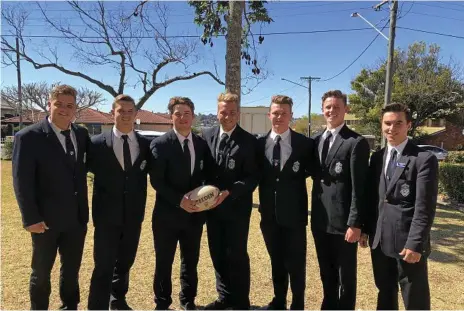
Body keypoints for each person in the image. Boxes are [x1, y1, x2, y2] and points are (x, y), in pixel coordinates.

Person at [12, 84, 90, 310]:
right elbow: (21, 181)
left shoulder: (81, 134)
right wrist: (30, 218)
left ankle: (69, 306)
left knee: (72, 269)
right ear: (49, 105)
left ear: (75, 108)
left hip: (76, 219)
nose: (64, 109)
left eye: (70, 105)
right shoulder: (28, 137)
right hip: (44, 221)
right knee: (41, 271)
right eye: (59, 104)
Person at [361, 103, 438, 310]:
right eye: (387, 123)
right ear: (381, 125)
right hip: (380, 241)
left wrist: (415, 243)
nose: (391, 128)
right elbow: (373, 199)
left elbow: (425, 207)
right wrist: (367, 230)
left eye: (398, 123)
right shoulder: (377, 158)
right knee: (385, 293)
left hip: (407, 244)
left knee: (415, 298)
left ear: (408, 125)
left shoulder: (423, 159)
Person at [149, 97, 215, 310]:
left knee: (190, 262)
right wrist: (180, 201)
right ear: (171, 116)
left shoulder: (201, 144)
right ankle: (162, 302)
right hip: (166, 216)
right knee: (164, 262)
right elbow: (156, 181)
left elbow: (206, 176)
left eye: (187, 113)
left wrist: (206, 198)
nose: (183, 117)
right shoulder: (160, 144)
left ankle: (188, 301)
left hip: (194, 216)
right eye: (178, 113)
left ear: (193, 116)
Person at [87, 94, 151, 310]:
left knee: (125, 263)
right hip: (106, 217)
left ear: (135, 114)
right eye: (120, 111)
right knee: (103, 265)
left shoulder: (145, 145)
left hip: (133, 216)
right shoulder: (95, 144)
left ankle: (118, 300)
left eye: (129, 111)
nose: (125, 115)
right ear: (111, 113)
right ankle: (97, 306)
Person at [311, 90, 370, 310]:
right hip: (320, 220)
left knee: (346, 276)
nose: (331, 111)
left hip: (344, 223)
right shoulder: (316, 140)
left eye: (337, 107)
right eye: (328, 107)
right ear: (322, 109)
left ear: (346, 109)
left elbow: (359, 187)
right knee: (326, 271)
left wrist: (355, 223)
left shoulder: (356, 142)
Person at [257, 95, 314, 310]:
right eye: (275, 113)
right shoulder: (258, 144)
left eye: (284, 113)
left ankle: (298, 303)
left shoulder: (305, 144)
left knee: (297, 264)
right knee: (276, 262)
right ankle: (279, 300)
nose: (279, 117)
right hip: (269, 216)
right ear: (269, 115)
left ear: (291, 115)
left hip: (295, 217)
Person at [202, 92, 259, 310]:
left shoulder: (249, 141)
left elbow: (253, 177)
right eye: (223, 112)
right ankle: (224, 297)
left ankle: (241, 302)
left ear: (239, 114)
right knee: (217, 253)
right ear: (217, 113)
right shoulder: (206, 136)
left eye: (232, 112)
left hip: (236, 208)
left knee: (237, 255)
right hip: (211, 209)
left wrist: (230, 192)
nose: (227, 116)